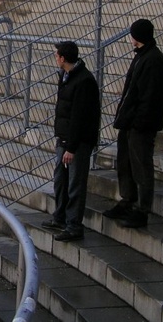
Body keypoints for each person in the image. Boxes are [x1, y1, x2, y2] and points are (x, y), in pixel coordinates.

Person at [103, 19, 163, 228]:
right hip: (130, 121)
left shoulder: (153, 59)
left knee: (141, 165)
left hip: (141, 123)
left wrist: (139, 121)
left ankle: (142, 209)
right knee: (125, 162)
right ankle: (128, 199)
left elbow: (150, 96)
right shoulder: (142, 56)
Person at [41, 41, 100, 241]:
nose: (55, 58)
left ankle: (74, 225)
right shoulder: (66, 76)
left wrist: (71, 147)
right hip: (64, 138)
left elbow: (80, 117)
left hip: (77, 142)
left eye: (56, 55)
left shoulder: (84, 80)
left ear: (63, 58)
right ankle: (60, 217)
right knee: (61, 179)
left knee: (75, 183)